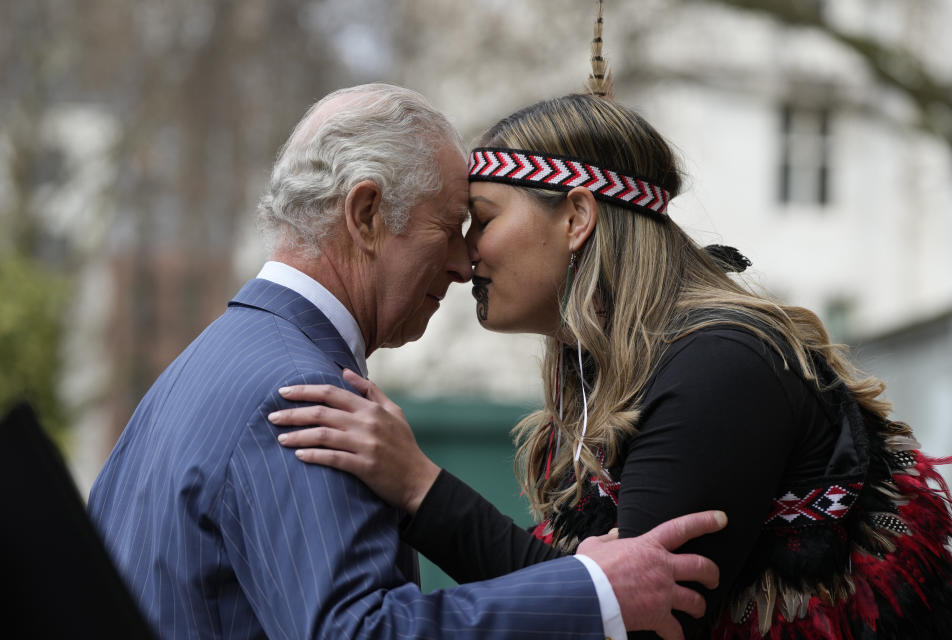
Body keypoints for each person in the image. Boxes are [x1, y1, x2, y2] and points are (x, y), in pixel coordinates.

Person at [267, 16, 952, 640]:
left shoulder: (719, 364)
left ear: (576, 217)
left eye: (483, 217)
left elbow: (633, 620)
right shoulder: (619, 371)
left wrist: (419, 485)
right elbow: (583, 597)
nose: (464, 253)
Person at [87, 82, 727, 640]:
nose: (461, 263)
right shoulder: (295, 389)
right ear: (365, 213)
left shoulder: (205, 364)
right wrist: (593, 590)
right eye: (451, 225)